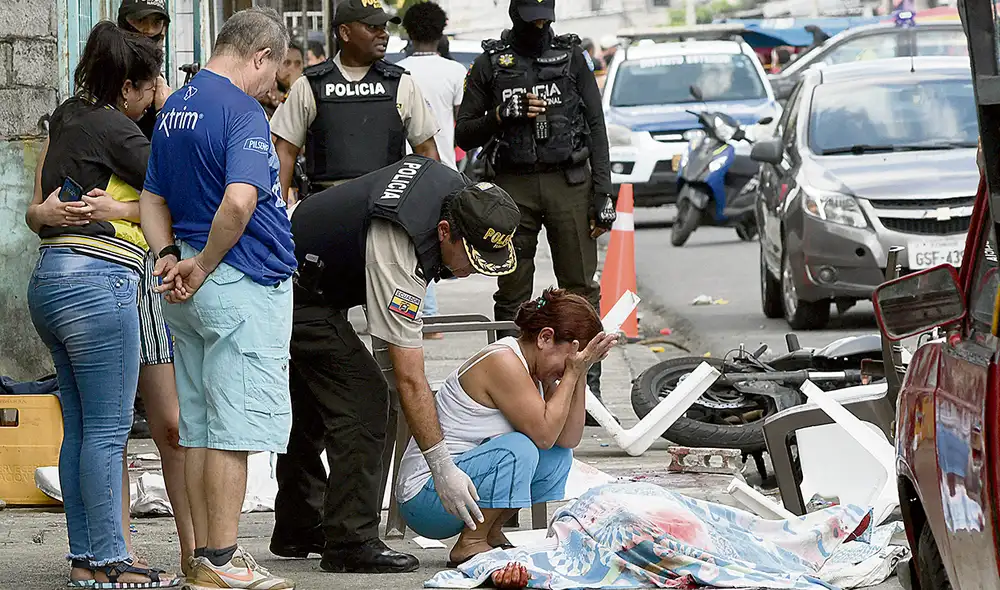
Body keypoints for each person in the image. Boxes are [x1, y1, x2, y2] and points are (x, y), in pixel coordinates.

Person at [272, 155, 521, 573]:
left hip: (311, 266)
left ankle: (299, 527)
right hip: (294, 289)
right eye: (470, 261)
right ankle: (350, 541)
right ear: (445, 232)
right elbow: (406, 374)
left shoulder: (462, 198)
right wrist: (441, 467)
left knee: (315, 403)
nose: (467, 274)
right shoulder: (399, 242)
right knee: (367, 401)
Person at [139, 7, 296, 589]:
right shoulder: (241, 110)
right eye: (273, 72)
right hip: (239, 279)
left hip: (186, 278)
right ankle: (225, 561)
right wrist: (203, 265)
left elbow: (152, 198)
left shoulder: (174, 106)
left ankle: (206, 556)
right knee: (233, 427)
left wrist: (168, 259)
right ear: (258, 56)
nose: (271, 86)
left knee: (202, 424)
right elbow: (239, 202)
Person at [25, 22, 178, 588]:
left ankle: (86, 559)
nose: (149, 100)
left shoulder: (65, 116)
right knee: (109, 430)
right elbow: (180, 190)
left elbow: (36, 206)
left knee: (83, 428)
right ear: (130, 87)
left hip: (49, 279)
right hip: (97, 282)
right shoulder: (119, 127)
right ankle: (113, 562)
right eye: (148, 89)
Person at [456, 0, 615, 423]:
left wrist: (604, 193)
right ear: (514, 17)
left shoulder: (571, 57)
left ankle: (586, 389)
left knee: (581, 288)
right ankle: (513, 386)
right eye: (532, 21)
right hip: (514, 187)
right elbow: (464, 131)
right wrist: (501, 114)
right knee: (511, 293)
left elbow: (597, 126)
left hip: (570, 183)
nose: (540, 27)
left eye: (546, 19)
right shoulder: (491, 62)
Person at [398, 289, 616, 566]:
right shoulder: (503, 361)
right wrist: (572, 373)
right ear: (545, 338)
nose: (567, 369)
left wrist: (580, 372)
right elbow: (545, 436)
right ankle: (471, 543)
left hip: (462, 494)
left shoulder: (536, 369)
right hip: (429, 497)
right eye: (570, 359)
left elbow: (567, 439)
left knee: (558, 456)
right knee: (520, 447)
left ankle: (490, 532)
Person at [115, 0, 198, 572]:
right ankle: (116, 549)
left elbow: (183, 188)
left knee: (174, 424)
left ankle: (198, 549)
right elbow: (50, 204)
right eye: (139, 32)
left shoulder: (171, 106)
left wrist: (167, 105)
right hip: (114, 273)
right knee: (111, 428)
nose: (150, 41)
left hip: (165, 270)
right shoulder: (94, 114)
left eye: (158, 32)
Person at [270, 0, 440, 199]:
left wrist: (427, 208)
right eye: (372, 27)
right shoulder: (309, 85)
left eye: (383, 27)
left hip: (386, 207)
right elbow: (285, 153)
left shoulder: (401, 83)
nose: (383, 34)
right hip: (326, 207)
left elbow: (427, 152)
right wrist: (277, 216)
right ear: (345, 32)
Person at [399, 1, 469, 335]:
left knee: (408, 240)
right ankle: (431, 315)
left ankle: (415, 311)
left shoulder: (396, 71)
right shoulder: (455, 73)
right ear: (441, 33)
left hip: (401, 167)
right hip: (443, 167)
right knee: (437, 235)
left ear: (409, 33)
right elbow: (464, 122)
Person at [118, 0, 172, 139]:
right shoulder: (110, 75)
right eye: (141, 20)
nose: (148, 30)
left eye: (156, 23)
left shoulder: (160, 84)